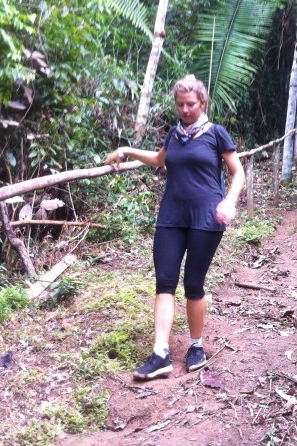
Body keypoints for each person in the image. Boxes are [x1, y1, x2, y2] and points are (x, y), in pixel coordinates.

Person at [105, 75, 245, 380]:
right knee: (164, 282)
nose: (185, 109)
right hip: (171, 216)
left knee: (193, 284)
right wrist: (126, 150)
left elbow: (238, 173)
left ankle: (196, 345)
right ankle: (160, 354)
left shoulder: (216, 134)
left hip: (206, 218)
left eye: (190, 104)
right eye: (180, 104)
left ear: (202, 103)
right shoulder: (174, 135)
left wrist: (230, 201)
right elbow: (158, 160)